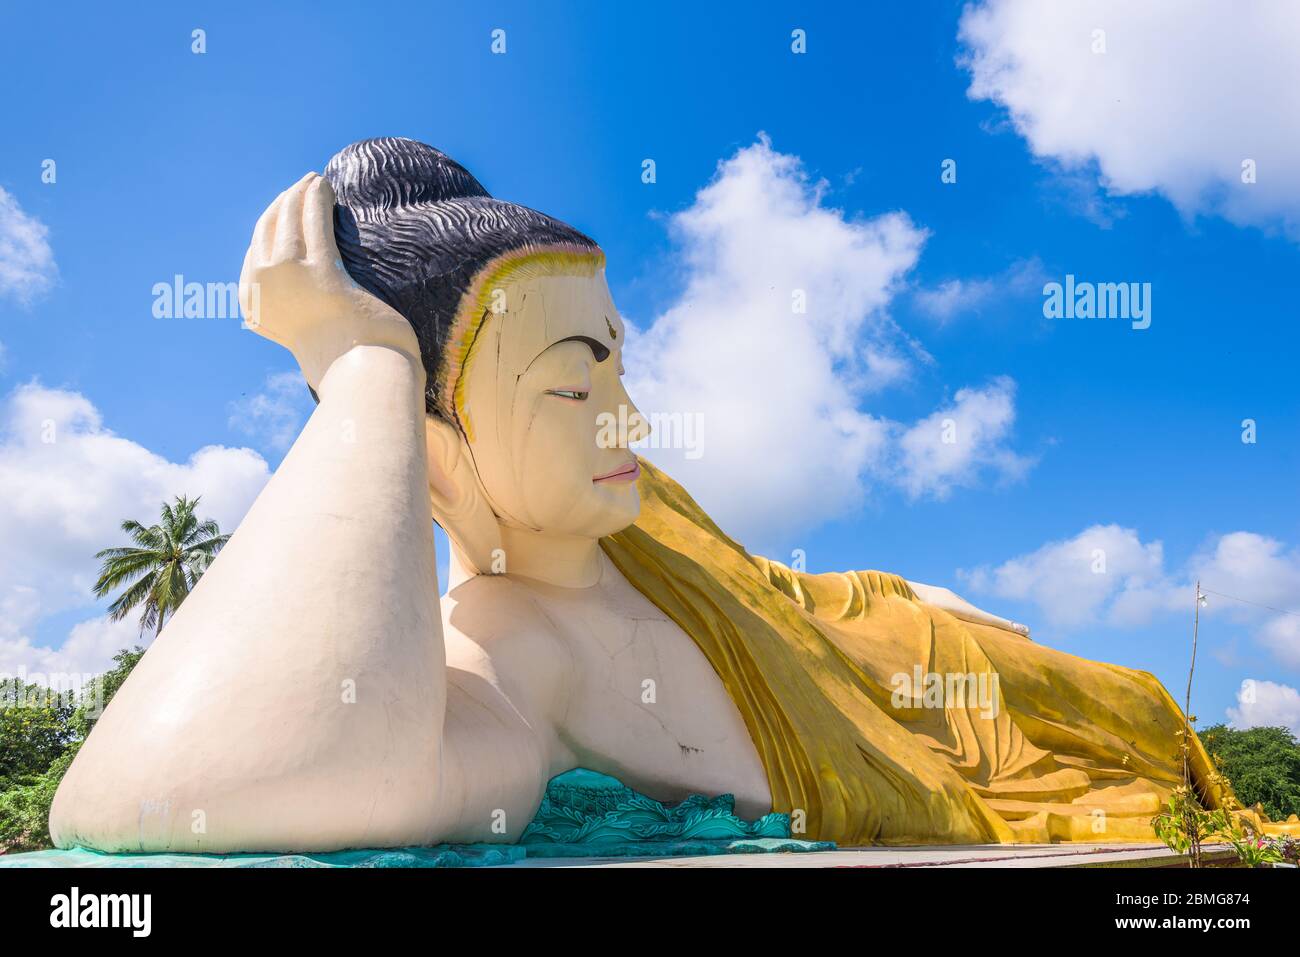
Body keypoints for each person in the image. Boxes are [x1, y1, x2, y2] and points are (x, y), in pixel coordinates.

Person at [49, 139, 1278, 853]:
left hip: (907, 643)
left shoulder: (636, 509)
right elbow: (182, 796)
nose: (629, 423)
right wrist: (366, 369)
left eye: (621, 366)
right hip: (930, 745)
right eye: (574, 387)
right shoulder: (510, 651)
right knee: (1144, 757)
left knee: (1141, 712)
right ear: (427, 450)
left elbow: (787, 594)